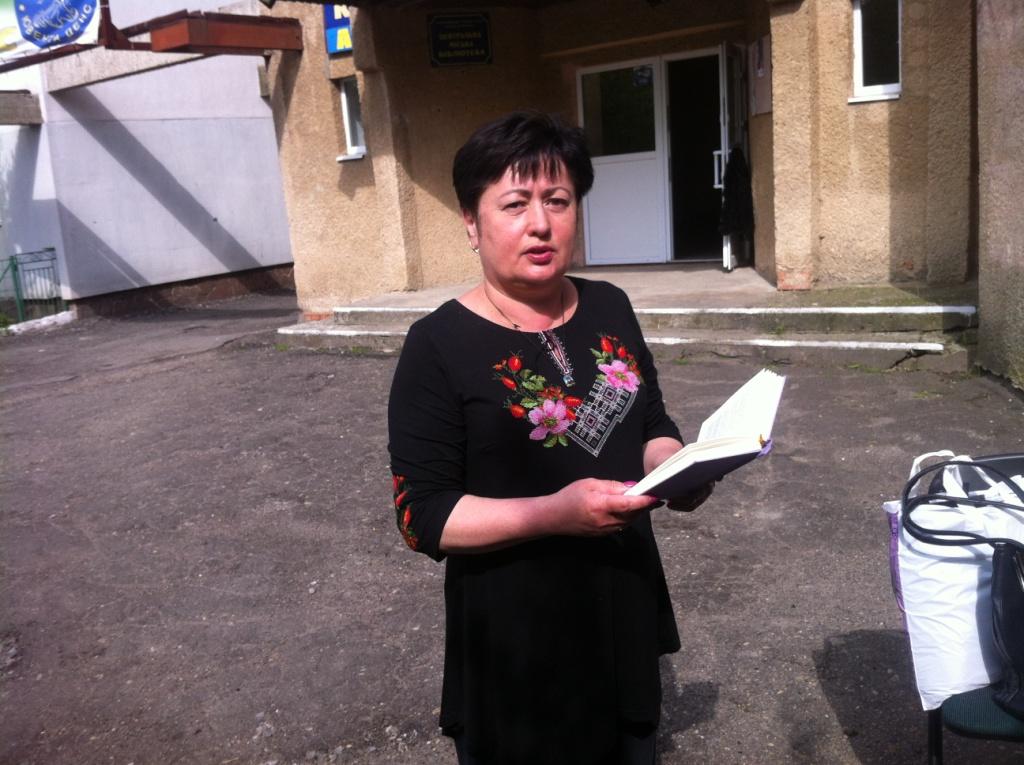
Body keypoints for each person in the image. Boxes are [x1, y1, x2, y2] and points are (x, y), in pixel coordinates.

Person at [387, 111, 712, 765]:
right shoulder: (437, 345)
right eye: (515, 204)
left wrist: (679, 467)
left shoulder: (610, 304)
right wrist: (554, 514)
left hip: (620, 607)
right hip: (516, 638)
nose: (541, 223)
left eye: (558, 201)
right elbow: (424, 516)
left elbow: (650, 421)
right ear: (471, 223)